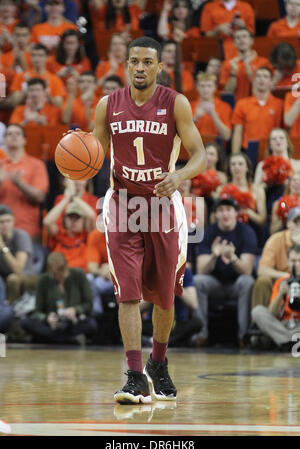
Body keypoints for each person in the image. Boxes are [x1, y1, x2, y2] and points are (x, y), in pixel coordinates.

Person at [92, 36, 206, 404]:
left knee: (165, 294)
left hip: (162, 205)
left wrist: (180, 176)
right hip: (123, 203)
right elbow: (93, 156)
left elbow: (201, 156)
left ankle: (158, 362)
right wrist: (74, 157)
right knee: (127, 293)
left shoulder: (176, 104)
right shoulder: (107, 105)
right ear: (127, 65)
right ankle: (135, 375)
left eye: (147, 62)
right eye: (134, 61)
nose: (140, 67)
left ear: (159, 66)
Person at [194, 196, 257, 348]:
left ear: (236, 213)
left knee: (247, 281)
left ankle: (244, 336)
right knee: (197, 281)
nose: (225, 214)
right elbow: (201, 270)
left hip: (237, 284)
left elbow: (247, 271)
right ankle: (201, 335)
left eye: (229, 210)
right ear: (215, 214)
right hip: (216, 284)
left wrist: (232, 257)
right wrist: (214, 256)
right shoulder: (209, 232)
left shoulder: (246, 232)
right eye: (220, 210)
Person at [21, 251, 97, 345]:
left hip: (73, 322)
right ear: (49, 270)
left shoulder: (79, 274)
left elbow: (89, 304)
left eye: (61, 272)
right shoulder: (43, 280)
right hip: (52, 324)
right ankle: (66, 339)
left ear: (66, 266)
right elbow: (38, 311)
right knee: (25, 322)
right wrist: (47, 318)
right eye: (55, 274)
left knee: (91, 324)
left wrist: (75, 310)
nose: (59, 277)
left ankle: (54, 338)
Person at [0, 124, 49, 240]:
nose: (13, 136)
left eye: (17, 134)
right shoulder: (0, 165)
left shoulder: (36, 165)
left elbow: (40, 196)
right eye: (9, 134)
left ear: (24, 140)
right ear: (5, 140)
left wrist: (19, 183)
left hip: (27, 230)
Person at [251, 244, 300, 351]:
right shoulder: (281, 282)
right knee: (257, 311)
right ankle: (289, 341)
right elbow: (272, 313)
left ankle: (283, 340)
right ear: (288, 262)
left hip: (298, 326)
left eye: (299, 261)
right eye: (293, 261)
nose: (296, 264)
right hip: (281, 325)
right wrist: (280, 294)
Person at [251, 206, 300, 309]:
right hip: (280, 281)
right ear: (288, 224)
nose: (299, 226)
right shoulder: (276, 240)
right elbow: (262, 270)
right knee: (263, 281)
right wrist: (287, 277)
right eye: (296, 222)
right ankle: (259, 322)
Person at [231, 67, 283, 154]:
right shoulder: (242, 104)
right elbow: (237, 132)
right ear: (254, 80)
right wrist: (235, 154)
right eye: (258, 76)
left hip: (272, 149)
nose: (261, 79)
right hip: (248, 149)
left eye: (265, 76)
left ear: (271, 81)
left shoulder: (280, 104)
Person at [43, 194, 96, 271]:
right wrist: (66, 199)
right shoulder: (59, 234)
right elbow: (47, 222)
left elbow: (91, 215)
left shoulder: (86, 235)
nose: (73, 221)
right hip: (60, 276)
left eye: (77, 217)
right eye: (70, 217)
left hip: (81, 277)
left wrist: (74, 197)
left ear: (83, 221)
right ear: (64, 219)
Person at [219, 27, 272, 102]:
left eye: (244, 36)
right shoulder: (228, 64)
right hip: (237, 105)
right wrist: (233, 72)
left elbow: (265, 87)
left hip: (257, 104)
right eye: (238, 38)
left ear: (251, 41)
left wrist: (247, 66)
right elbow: (228, 91)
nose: (241, 40)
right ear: (234, 43)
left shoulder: (263, 62)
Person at [9, 43, 66, 108]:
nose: (37, 59)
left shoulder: (54, 79)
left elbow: (59, 104)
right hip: (25, 114)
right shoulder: (22, 76)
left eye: (40, 55)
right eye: (34, 55)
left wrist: (46, 93)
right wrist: (27, 86)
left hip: (47, 115)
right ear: (30, 57)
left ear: (47, 58)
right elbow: (14, 102)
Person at [0, 204, 35, 304]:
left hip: (27, 277)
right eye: (1, 222)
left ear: (14, 221)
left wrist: (3, 248)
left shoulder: (21, 236)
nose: (5, 225)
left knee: (13, 279)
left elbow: (18, 269)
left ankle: (12, 313)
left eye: (8, 221)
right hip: (4, 277)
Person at [191, 72, 232, 141]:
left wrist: (213, 114)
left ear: (215, 87)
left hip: (216, 146)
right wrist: (195, 118)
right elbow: (181, 134)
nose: (205, 89)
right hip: (195, 145)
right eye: (202, 86)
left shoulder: (225, 107)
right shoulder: (189, 105)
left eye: (209, 86)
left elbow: (227, 136)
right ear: (197, 87)